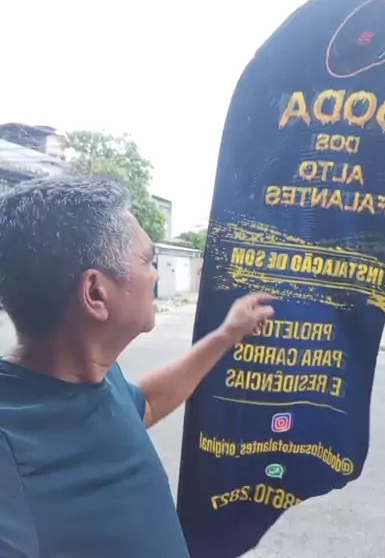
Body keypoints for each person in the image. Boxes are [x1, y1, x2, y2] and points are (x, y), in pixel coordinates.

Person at [0, 176, 274, 558]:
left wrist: (227, 335)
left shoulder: (98, 373)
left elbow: (145, 404)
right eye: (147, 260)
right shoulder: (8, 442)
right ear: (95, 293)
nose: (155, 274)